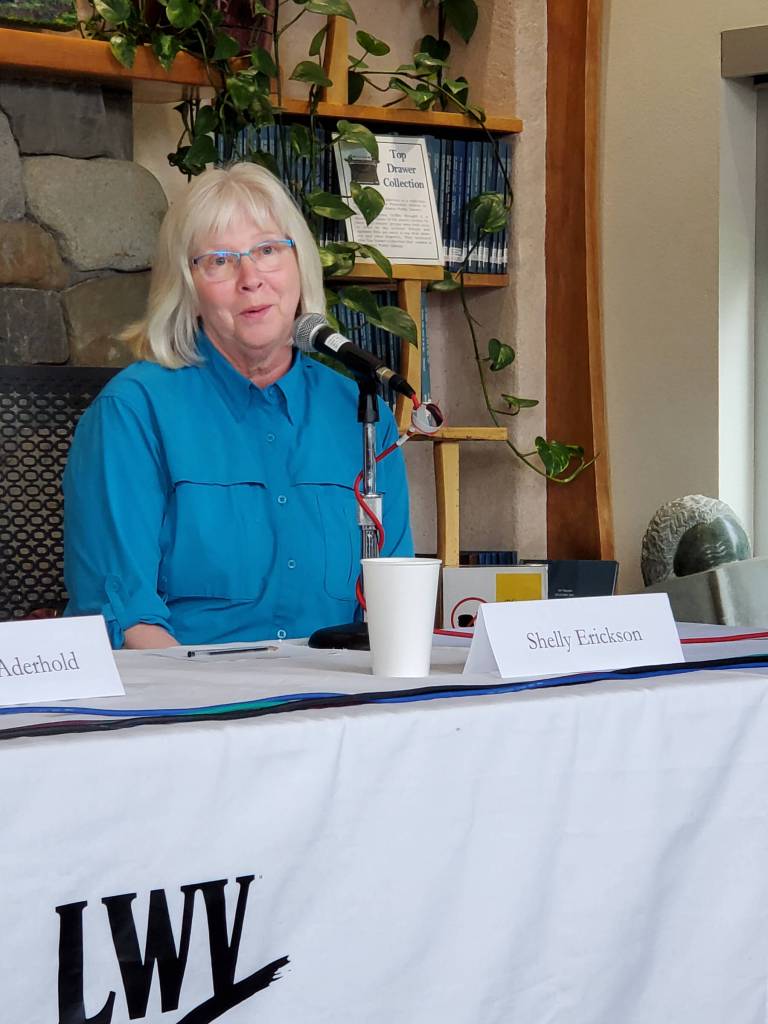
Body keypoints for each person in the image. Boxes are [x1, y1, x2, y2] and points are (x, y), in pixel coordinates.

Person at [63, 162, 413, 649]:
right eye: (220, 260)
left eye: (268, 250)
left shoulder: (360, 413)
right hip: (194, 705)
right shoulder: (133, 413)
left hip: (342, 704)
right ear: (185, 286)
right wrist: (227, 716)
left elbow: (396, 608)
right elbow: (126, 622)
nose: (251, 278)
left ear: (299, 265)